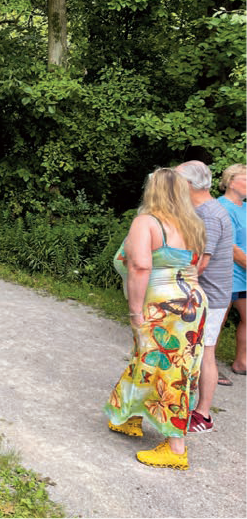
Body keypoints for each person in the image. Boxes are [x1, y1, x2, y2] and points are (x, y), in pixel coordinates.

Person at [104, 168, 207, 470]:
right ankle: (129, 416)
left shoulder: (146, 222)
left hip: (163, 305)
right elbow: (196, 267)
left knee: (165, 368)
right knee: (159, 363)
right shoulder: (193, 223)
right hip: (193, 302)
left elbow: (139, 267)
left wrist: (136, 311)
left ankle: (176, 449)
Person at [176, 161, 233, 434]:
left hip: (209, 296)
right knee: (199, 352)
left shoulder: (208, 215)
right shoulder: (203, 210)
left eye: (176, 179)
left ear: (189, 184)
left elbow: (200, 263)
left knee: (206, 352)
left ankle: (203, 414)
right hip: (206, 294)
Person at [217, 163, 247, 376]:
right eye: (245, 179)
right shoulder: (221, 207)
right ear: (229, 181)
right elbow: (231, 247)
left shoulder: (246, 208)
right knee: (218, 321)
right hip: (226, 273)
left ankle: (241, 362)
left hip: (245, 274)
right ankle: (207, 366)